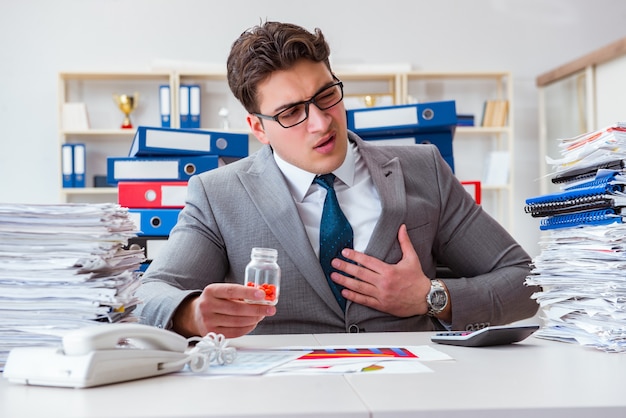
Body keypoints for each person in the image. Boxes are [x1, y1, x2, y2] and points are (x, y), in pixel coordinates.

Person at [135, 21, 539, 338]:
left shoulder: (423, 169)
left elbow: (525, 282)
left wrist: (431, 297)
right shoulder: (218, 194)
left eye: (327, 94)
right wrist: (190, 314)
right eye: (292, 112)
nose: (321, 122)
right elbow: (149, 294)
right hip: (281, 398)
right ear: (258, 128)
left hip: (411, 392)